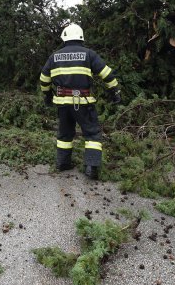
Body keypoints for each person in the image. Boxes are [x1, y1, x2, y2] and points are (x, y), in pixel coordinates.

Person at [39, 23, 121, 180]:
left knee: (64, 133)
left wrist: (47, 96)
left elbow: (43, 79)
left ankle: (62, 163)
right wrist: (115, 92)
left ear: (65, 38)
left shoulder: (54, 56)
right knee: (92, 134)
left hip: (62, 103)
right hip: (83, 102)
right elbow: (107, 74)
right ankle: (91, 168)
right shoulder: (89, 54)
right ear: (81, 38)